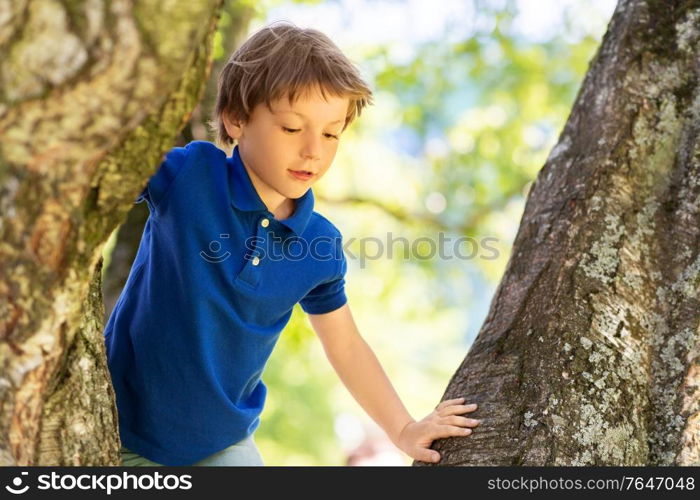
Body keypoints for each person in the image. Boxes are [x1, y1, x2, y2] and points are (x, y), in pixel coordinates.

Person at [105, 20, 481, 467]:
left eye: (330, 133)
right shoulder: (190, 176)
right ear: (236, 119)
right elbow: (95, 167)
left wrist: (403, 429)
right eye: (290, 128)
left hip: (222, 446)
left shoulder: (320, 244)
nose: (312, 151)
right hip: (117, 432)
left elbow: (345, 344)